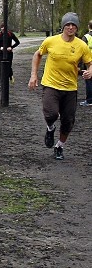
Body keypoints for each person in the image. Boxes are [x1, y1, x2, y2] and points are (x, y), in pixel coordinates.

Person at [28, 12, 92, 160]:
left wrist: (90, 71)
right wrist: (33, 75)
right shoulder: (51, 41)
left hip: (70, 88)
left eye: (73, 25)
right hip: (51, 84)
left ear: (77, 28)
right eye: (68, 25)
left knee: (68, 121)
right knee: (51, 114)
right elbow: (37, 55)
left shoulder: (82, 46)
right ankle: (50, 128)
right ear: (63, 26)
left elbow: (89, 63)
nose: (70, 27)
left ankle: (59, 146)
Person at [83, 21, 92, 106]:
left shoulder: (86, 37)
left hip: (89, 62)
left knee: (89, 81)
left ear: (89, 26)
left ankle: (89, 100)